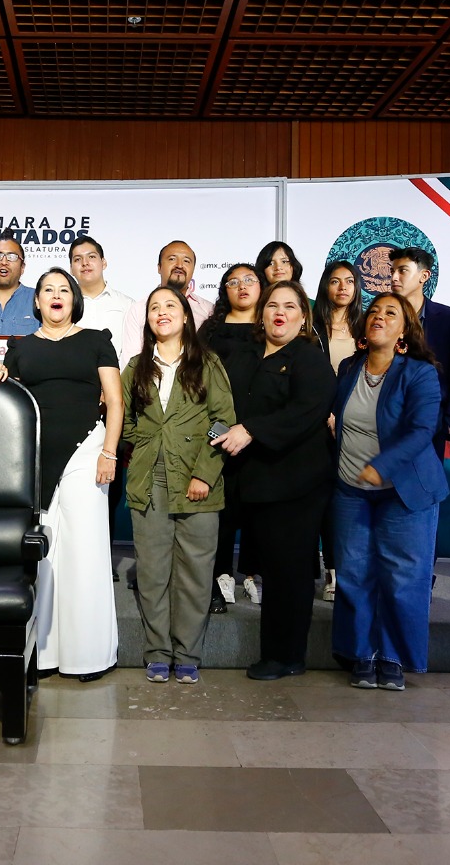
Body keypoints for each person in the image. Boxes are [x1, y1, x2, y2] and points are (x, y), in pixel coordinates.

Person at [0, 269, 122, 681]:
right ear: (37, 301)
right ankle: (42, 656)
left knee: (85, 551)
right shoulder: (20, 347)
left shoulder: (97, 340)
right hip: (35, 458)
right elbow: (7, 401)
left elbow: (115, 402)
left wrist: (109, 452)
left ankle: (88, 657)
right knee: (44, 555)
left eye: (64, 289)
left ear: (74, 299)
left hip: (88, 451)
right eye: (48, 289)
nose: (56, 295)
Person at [212, 279, 335, 681]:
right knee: (271, 569)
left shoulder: (309, 358)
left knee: (289, 572)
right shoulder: (247, 355)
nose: (280, 312)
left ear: (303, 317)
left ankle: (287, 657)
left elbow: (306, 411)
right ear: (261, 314)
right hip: (256, 481)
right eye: (272, 305)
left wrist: (251, 430)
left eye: (289, 306)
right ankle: (276, 652)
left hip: (296, 483)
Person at [330, 292, 449, 691]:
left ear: (404, 331)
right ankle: (361, 654)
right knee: (353, 574)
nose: (379, 316)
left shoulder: (419, 373)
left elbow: (422, 430)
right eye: (374, 312)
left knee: (402, 578)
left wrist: (380, 467)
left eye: (391, 313)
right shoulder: (349, 368)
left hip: (405, 491)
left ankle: (393, 657)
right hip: (351, 489)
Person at [121, 287, 233, 684]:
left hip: (198, 481)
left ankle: (187, 654)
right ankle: (157, 653)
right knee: (152, 573)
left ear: (186, 316)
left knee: (195, 574)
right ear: (148, 320)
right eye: (154, 307)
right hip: (149, 480)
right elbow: (125, 422)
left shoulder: (208, 363)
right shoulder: (136, 366)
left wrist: (204, 473)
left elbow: (223, 421)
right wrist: (146, 445)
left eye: (170, 305)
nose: (162, 312)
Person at [197, 262, 263, 612]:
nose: (242, 286)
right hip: (218, 429)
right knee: (220, 509)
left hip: (259, 431)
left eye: (249, 280)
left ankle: (251, 573)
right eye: (233, 281)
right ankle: (220, 574)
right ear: (224, 290)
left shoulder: (273, 326)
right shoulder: (210, 331)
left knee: (255, 506)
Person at [389, 247, 450, 460]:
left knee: (423, 481)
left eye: (402, 271)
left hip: (431, 425)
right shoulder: (381, 317)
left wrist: (449, 421)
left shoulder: (449, 319)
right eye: (392, 271)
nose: (394, 277)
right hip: (384, 422)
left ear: (424, 276)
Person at [311, 260, 361, 600]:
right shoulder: (312, 327)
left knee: (343, 504)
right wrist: (326, 414)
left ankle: (336, 570)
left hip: (353, 427)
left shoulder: (365, 326)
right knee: (318, 501)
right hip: (316, 425)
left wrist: (341, 416)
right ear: (325, 287)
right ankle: (314, 569)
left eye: (349, 281)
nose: (342, 287)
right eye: (335, 281)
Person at [119, 240, 213, 368]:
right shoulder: (139, 309)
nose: (179, 265)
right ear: (159, 267)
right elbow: (130, 364)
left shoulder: (208, 310)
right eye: (172, 259)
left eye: (186, 261)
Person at [71, 235, 134, 361]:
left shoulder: (127, 305)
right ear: (71, 269)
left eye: (91, 257)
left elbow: (133, 352)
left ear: (103, 263)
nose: (85, 263)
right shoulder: (63, 306)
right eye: (78, 259)